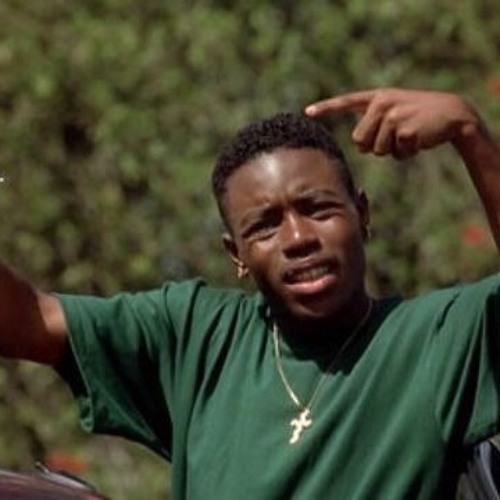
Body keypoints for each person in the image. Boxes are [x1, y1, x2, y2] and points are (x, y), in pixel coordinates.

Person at [1, 88, 500, 499]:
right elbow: (26, 322)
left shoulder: (438, 340)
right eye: (265, 226)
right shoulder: (195, 335)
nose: (298, 238)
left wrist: (469, 134)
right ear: (235, 253)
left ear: (362, 214)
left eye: (319, 209)